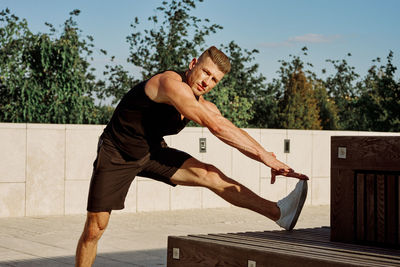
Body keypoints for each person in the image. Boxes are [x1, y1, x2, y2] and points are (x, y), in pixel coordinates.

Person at [75, 46, 309, 266]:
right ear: (193, 63)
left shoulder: (203, 103)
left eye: (214, 79)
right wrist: (263, 157)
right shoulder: (170, 84)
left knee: (210, 174)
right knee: (96, 228)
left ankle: (279, 213)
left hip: (152, 152)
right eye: (205, 72)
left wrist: (267, 155)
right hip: (117, 151)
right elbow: (215, 127)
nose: (207, 81)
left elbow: (225, 126)